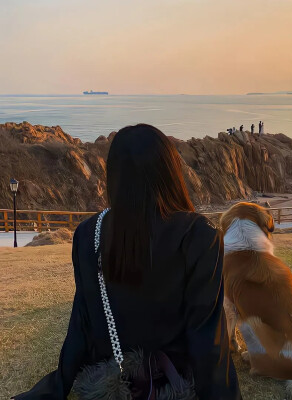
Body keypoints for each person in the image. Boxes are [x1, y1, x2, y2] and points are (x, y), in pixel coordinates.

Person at [13, 124, 242, 400]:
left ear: (114, 177)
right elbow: (208, 339)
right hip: (174, 380)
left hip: (109, 381)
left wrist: (59, 384)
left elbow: (81, 322)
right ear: (170, 171)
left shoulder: (88, 233)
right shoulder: (198, 236)